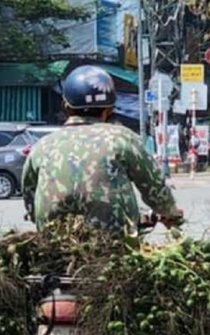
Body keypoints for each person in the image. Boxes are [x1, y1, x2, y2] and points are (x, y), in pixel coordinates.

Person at [21, 65, 182, 234]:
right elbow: (154, 189)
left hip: (53, 242)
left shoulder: (43, 146)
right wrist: (171, 214)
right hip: (113, 243)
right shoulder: (121, 138)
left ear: (66, 107)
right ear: (110, 109)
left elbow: (30, 202)